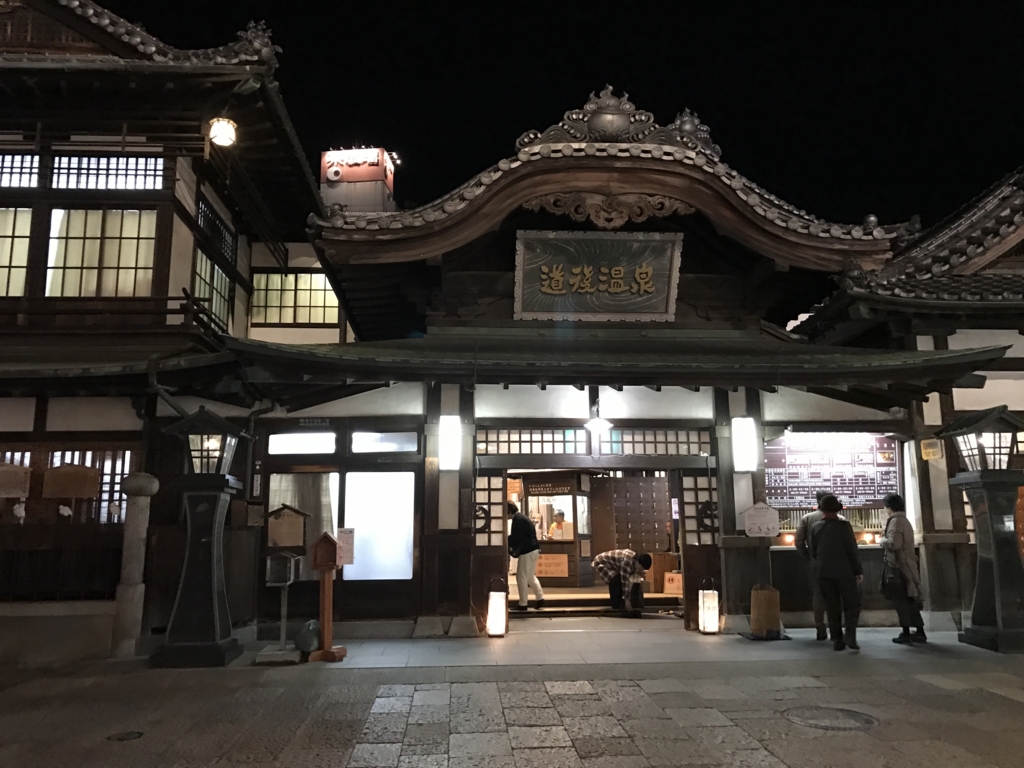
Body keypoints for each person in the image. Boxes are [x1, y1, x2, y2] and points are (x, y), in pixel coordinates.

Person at [808, 494, 863, 652]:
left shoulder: (815, 527)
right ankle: (850, 636)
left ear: (822, 510)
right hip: (844, 571)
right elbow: (852, 550)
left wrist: (817, 567)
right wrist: (858, 570)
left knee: (832, 606)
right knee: (852, 604)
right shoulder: (844, 526)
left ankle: (837, 640)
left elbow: (812, 550)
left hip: (823, 572)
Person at [879, 492, 926, 644]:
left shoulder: (895, 521)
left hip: (899, 567)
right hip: (907, 564)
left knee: (902, 601)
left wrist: (882, 540)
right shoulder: (903, 520)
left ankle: (906, 632)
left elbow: (894, 544)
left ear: (889, 507)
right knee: (910, 599)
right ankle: (919, 631)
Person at [795, 490, 834, 641]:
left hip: (816, 563)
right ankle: (835, 628)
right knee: (834, 596)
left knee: (818, 596)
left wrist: (808, 557)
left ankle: (820, 627)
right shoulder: (841, 520)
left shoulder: (807, 518)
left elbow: (799, 541)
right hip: (838, 565)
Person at [592, 549, 653, 617]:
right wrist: (627, 600)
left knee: (618, 580)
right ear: (639, 564)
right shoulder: (627, 562)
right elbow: (624, 580)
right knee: (615, 580)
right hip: (602, 562)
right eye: (642, 568)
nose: (641, 570)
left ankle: (619, 603)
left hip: (613, 565)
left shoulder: (635, 561)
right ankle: (616, 606)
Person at [507, 501, 544, 611]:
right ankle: (540, 597)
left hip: (527, 550)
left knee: (521, 577)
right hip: (534, 549)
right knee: (530, 576)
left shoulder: (517, 519)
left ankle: (523, 603)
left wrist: (506, 540)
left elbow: (516, 537)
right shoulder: (522, 517)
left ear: (509, 511)